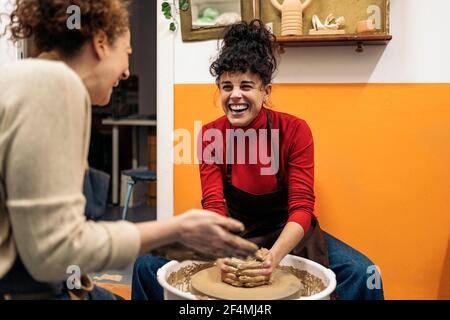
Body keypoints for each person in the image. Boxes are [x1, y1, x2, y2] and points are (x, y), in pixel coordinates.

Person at [0, 0, 258, 300]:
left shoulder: (23, 78)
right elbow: (52, 253)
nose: (126, 72)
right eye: (128, 53)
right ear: (100, 43)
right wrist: (174, 231)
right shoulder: (56, 85)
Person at [132, 20, 384, 300]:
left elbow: (302, 208)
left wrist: (273, 258)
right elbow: (214, 205)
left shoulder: (294, 130)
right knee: (146, 265)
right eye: (226, 86)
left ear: (266, 92)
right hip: (232, 232)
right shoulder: (210, 135)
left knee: (363, 272)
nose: (235, 95)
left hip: (286, 234)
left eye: (246, 85)